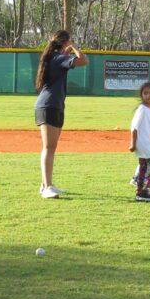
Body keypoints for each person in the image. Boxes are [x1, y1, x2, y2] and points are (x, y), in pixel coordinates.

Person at [33, 30, 89, 199]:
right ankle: (47, 187)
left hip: (54, 105)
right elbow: (84, 60)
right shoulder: (58, 59)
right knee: (49, 148)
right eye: (69, 41)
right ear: (65, 42)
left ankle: (45, 185)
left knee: (51, 148)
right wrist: (74, 47)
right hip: (48, 106)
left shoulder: (56, 58)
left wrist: (67, 50)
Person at [128, 81, 150, 203]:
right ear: (141, 95)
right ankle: (145, 189)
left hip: (147, 142)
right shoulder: (142, 109)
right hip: (142, 143)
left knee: (143, 167)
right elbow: (134, 127)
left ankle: (140, 193)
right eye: (145, 93)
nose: (148, 95)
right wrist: (132, 143)